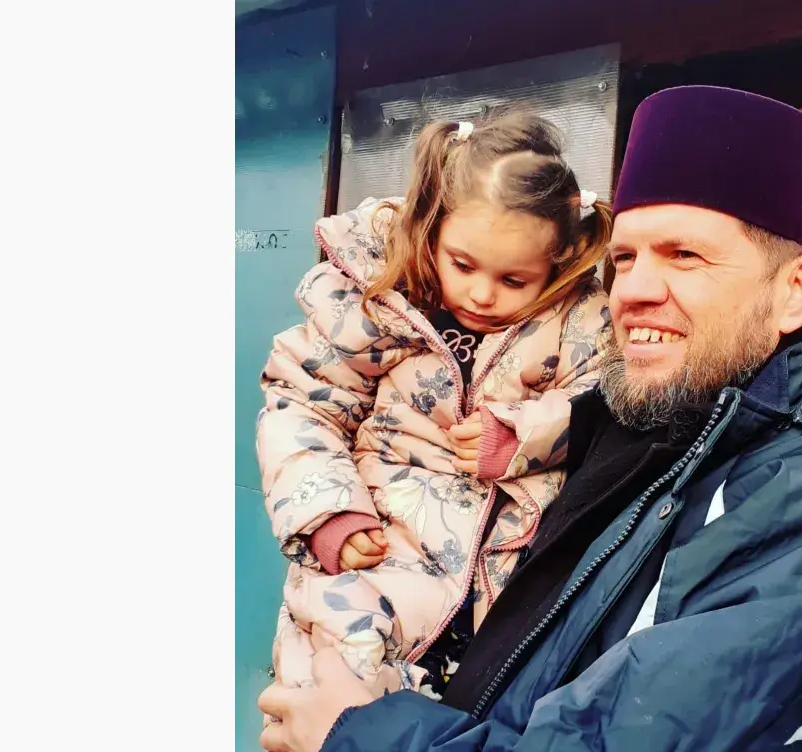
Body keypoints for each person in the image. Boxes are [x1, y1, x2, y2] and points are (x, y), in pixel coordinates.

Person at [259, 85, 802, 752]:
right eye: (624, 259)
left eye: (685, 254)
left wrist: (360, 746)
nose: (634, 290)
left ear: (796, 289)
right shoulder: (669, 411)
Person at [255, 110, 614, 703]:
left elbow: (605, 405)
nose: (481, 293)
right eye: (462, 264)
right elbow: (302, 406)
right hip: (376, 561)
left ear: (556, 261)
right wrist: (329, 516)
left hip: (503, 592)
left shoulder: (579, 321)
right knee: (331, 709)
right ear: (432, 227)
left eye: (515, 280)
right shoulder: (376, 296)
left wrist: (525, 436)